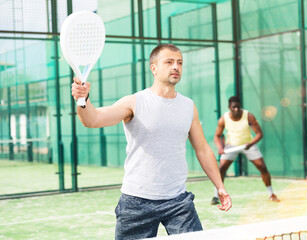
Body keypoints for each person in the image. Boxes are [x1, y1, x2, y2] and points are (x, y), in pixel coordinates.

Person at [71, 44, 232, 239]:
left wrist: (219, 186)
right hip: (136, 202)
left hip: (178, 201)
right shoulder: (134, 102)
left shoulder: (189, 106)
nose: (176, 67)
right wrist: (83, 99)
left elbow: (203, 150)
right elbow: (92, 119)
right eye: (169, 62)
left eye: (180, 63)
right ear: (153, 68)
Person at [211, 96, 279, 205]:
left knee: (262, 167)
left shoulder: (249, 116)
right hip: (231, 146)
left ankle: (271, 194)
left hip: (248, 144)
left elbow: (259, 134)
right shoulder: (223, 119)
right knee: (221, 169)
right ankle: (216, 196)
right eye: (234, 107)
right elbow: (217, 136)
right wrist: (220, 148)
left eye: (238, 107)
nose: (236, 109)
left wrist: (250, 144)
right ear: (229, 107)